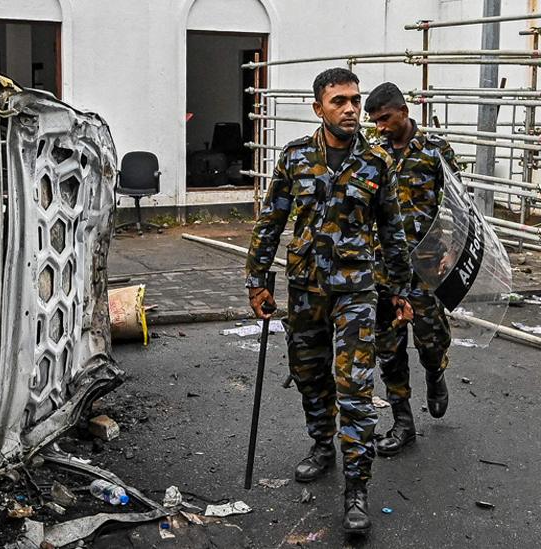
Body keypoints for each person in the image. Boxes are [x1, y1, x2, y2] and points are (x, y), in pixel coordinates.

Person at [244, 68, 413, 535]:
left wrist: (399, 290)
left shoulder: (377, 163)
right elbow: (270, 221)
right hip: (305, 289)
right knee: (308, 374)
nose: (351, 109)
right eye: (339, 101)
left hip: (357, 292)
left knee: (356, 390)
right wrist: (256, 281)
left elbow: (392, 233)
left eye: (355, 101)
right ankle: (322, 444)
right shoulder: (295, 157)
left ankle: (356, 490)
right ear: (318, 108)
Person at [363, 82, 457, 456]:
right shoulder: (374, 154)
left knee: (431, 339)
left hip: (427, 265)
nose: (381, 127)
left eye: (385, 118)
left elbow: (457, 204)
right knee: (389, 347)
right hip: (384, 268)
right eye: (375, 122)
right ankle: (402, 422)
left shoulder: (435, 151)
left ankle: (435, 373)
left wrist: (451, 250)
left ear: (403, 110)